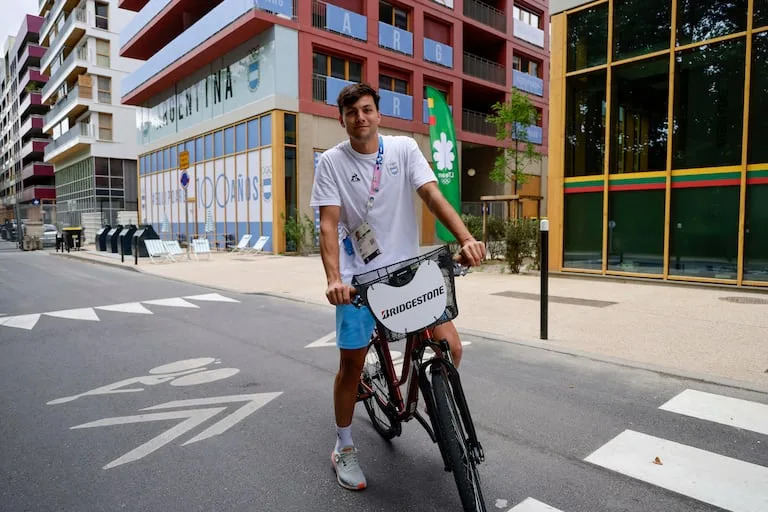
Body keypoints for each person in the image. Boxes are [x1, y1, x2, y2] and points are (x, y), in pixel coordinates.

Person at [310, 83, 486, 491]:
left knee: (451, 347)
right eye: (352, 112)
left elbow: (432, 195)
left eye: (367, 110)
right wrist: (334, 280)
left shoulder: (404, 150)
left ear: (378, 114)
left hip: (409, 270)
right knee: (351, 366)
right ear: (342, 119)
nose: (361, 118)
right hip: (359, 280)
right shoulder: (332, 163)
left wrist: (466, 238)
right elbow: (329, 224)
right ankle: (344, 446)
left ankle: (436, 404)